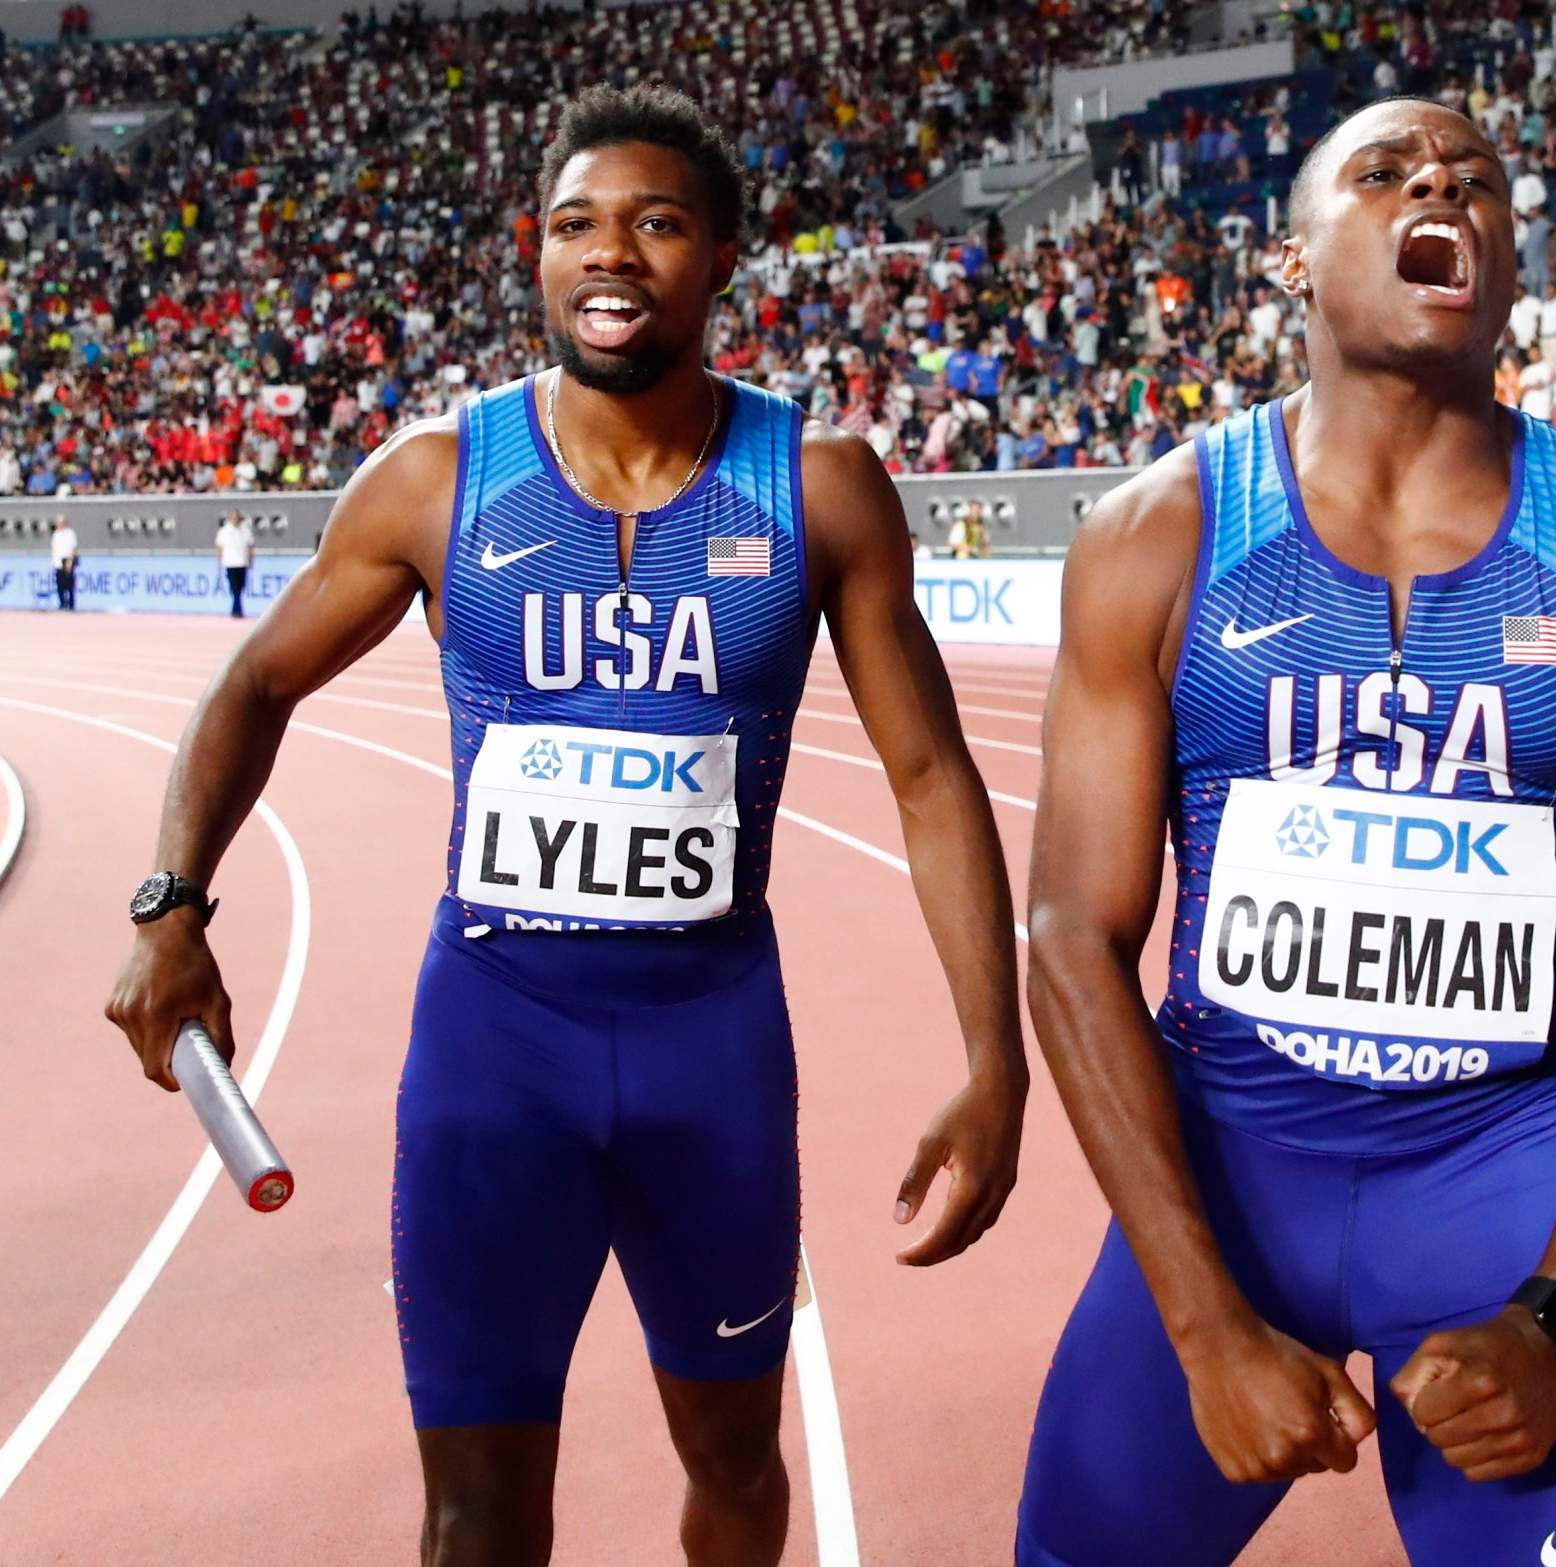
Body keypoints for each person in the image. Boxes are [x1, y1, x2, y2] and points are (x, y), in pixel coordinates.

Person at [105, 86, 1027, 1567]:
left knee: (735, 1461)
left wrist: (997, 1058)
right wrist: (171, 904)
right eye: (577, 223)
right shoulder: (433, 479)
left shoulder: (817, 485)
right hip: (492, 1053)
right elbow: (253, 680)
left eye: (657, 223)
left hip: (712, 1053)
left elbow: (930, 782)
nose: (612, 254)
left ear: (723, 255)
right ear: (536, 252)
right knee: (474, 1510)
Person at [1017, 99, 1556, 1567]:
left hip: (1501, 1191)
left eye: (1477, 179)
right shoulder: (1159, 536)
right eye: (1388, 172)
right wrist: (1201, 1315)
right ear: (1292, 260)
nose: (1441, 186)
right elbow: (1070, 933)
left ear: (1508, 258)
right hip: (1231, 1178)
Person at [214, 510, 255, 618]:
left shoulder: (245, 531)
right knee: (234, 587)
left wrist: (251, 560)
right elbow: (220, 548)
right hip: (230, 562)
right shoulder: (224, 531)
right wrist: (219, 561)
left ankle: (236, 609)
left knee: (241, 586)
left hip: (242, 562)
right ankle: (236, 610)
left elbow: (250, 547)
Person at [49, 513, 79, 611]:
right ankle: (62, 604)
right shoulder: (56, 534)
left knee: (69, 585)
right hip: (58, 563)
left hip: (67, 561)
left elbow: (73, 548)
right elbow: (55, 550)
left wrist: (70, 561)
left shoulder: (70, 533)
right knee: (60, 585)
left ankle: (71, 605)